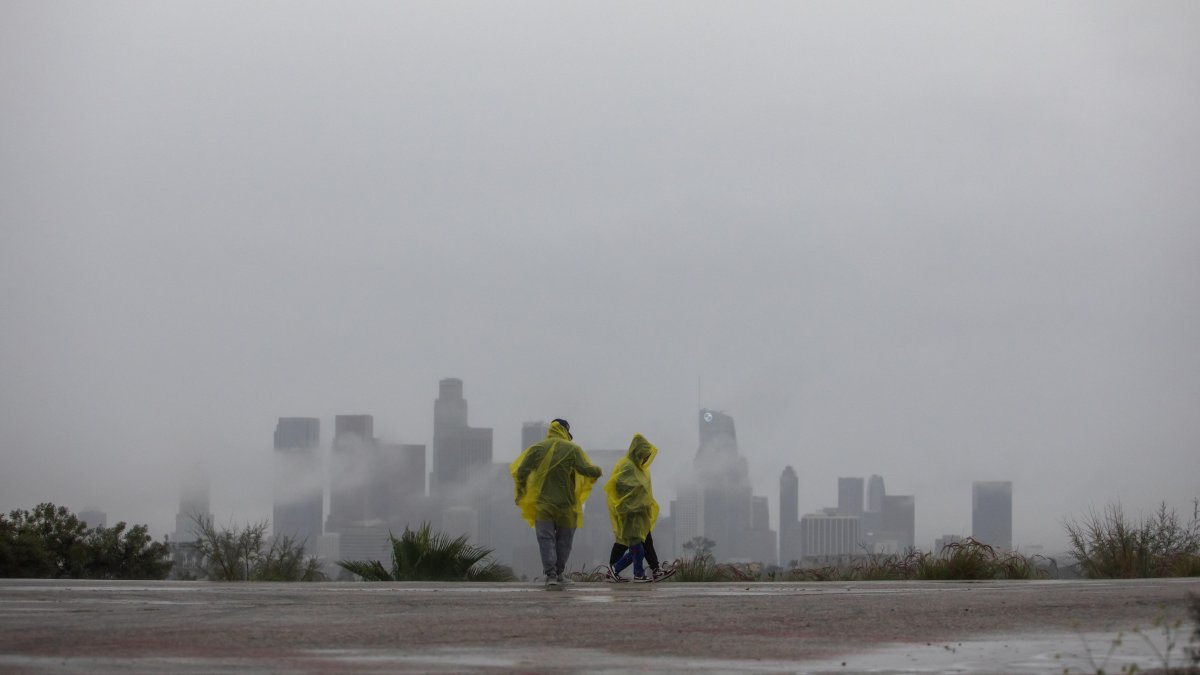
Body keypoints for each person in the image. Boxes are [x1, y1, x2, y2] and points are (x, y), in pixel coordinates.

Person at [511, 418, 602, 590]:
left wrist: (521, 492)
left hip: (543, 505)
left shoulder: (537, 448)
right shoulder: (573, 449)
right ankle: (559, 574)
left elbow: (522, 471)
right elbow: (586, 470)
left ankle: (550, 576)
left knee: (546, 540)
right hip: (566, 505)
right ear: (565, 432)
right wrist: (598, 470)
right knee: (564, 541)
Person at [604, 433, 663, 583]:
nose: (645, 459)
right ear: (638, 452)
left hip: (639, 514)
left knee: (638, 548)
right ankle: (637, 574)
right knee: (637, 548)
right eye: (644, 455)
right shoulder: (627, 466)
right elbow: (621, 485)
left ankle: (617, 570)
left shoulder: (639, 468)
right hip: (630, 513)